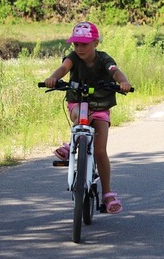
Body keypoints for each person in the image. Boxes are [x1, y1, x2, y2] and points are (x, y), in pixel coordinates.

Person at [44, 21, 132, 214]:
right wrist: (53, 78)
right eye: (76, 44)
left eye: (84, 44)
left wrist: (123, 81)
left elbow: (114, 71)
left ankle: (107, 194)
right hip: (78, 101)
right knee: (79, 114)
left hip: (101, 106)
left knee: (100, 152)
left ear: (96, 43)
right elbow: (63, 69)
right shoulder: (73, 58)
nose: (79, 48)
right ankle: (72, 144)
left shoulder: (103, 59)